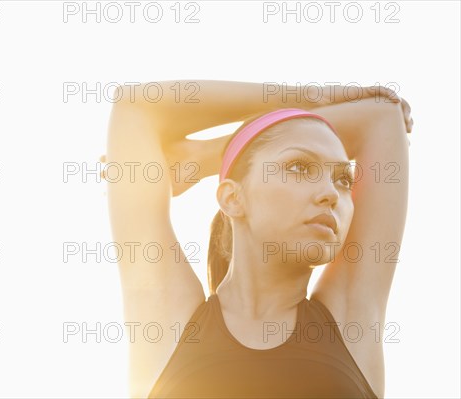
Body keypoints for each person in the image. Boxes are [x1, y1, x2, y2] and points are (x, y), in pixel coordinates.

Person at [103, 80, 412, 398]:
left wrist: (212, 155)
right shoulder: (170, 324)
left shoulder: (350, 323)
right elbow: (136, 105)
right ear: (232, 198)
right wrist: (310, 96)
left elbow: (382, 117)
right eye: (299, 167)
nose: (330, 194)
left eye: (343, 178)